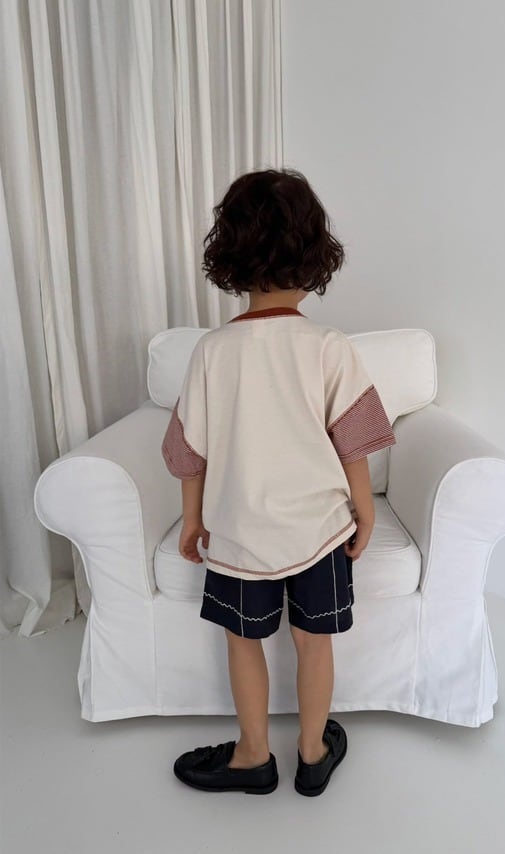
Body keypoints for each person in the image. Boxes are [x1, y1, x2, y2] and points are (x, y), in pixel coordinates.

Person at [161, 167, 396, 796]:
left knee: (244, 642)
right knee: (314, 642)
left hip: (239, 533)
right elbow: (353, 440)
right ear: (314, 253)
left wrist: (193, 520)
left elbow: (189, 452)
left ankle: (253, 756)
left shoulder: (211, 352)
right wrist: (364, 509)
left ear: (229, 255)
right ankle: (313, 754)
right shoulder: (328, 346)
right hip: (319, 530)